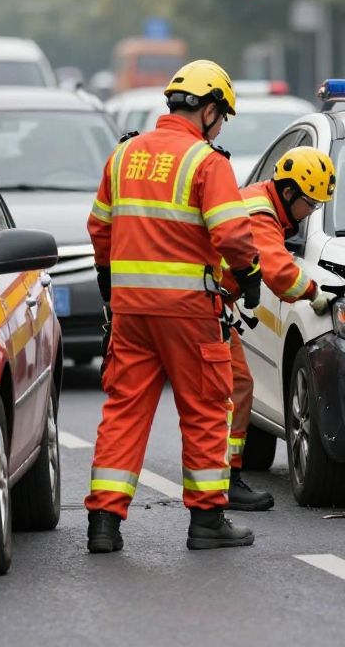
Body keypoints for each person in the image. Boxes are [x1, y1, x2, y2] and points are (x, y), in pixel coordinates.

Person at [84, 59, 263, 553]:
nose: (221, 124)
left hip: (130, 311)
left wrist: (109, 282)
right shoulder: (207, 162)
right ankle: (207, 521)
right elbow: (231, 233)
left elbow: (99, 228)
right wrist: (249, 277)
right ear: (207, 111)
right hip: (188, 313)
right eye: (221, 115)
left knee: (124, 410)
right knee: (206, 408)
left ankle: (103, 523)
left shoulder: (124, 156)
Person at [221, 146, 337, 511]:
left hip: (206, 302)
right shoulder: (260, 214)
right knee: (234, 387)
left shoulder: (262, 204)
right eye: (310, 203)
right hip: (199, 306)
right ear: (288, 193)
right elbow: (278, 271)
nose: (310, 213)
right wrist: (315, 294)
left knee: (228, 388)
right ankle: (224, 480)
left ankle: (220, 480)